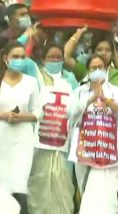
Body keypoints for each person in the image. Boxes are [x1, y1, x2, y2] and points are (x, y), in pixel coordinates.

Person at [67, 55, 118, 214]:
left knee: (105, 194)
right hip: (85, 150)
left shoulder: (116, 91)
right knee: (86, 190)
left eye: (101, 67)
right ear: (88, 71)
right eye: (93, 68)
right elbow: (71, 114)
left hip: (109, 150)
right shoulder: (79, 91)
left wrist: (109, 102)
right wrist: (90, 99)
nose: (97, 71)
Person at [27, 44, 76, 214]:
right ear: (43, 59)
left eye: (59, 57)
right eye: (51, 57)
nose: (56, 60)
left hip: (63, 144)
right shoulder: (37, 76)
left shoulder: (71, 80)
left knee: (63, 187)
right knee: (39, 186)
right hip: (39, 143)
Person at [0, 42, 41, 214]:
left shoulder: (31, 82)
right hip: (2, 136)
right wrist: (3, 115)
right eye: (15, 56)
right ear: (5, 58)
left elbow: (38, 111)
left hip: (23, 139)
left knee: (19, 182)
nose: (19, 60)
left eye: (22, 57)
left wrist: (22, 117)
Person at [64, 26, 118, 98]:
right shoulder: (85, 72)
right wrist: (79, 33)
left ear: (112, 54)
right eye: (99, 50)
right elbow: (66, 57)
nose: (104, 53)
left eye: (108, 50)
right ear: (93, 52)